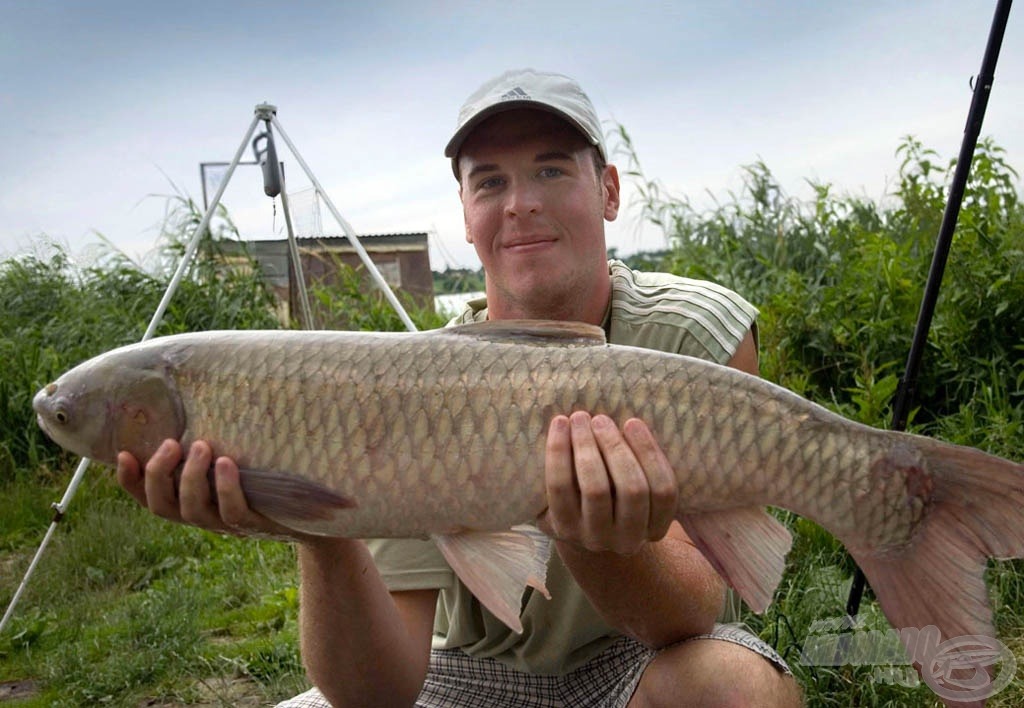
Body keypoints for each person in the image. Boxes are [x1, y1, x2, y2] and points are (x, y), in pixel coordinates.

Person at [117, 69, 802, 707]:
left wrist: (587, 532)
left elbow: (687, 614)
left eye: (551, 169)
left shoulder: (694, 333)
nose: (521, 204)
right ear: (466, 213)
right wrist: (317, 526)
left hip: (640, 664)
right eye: (490, 182)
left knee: (739, 688)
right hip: (464, 675)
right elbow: (377, 691)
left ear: (610, 190)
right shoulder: (413, 382)